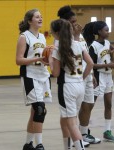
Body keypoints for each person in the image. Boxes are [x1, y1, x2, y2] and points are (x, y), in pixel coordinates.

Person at [57, 5, 101, 145]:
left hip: (86, 74)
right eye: (72, 22)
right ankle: (76, 139)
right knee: (73, 110)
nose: (76, 24)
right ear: (65, 23)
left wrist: (91, 74)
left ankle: (84, 133)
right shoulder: (63, 39)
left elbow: (86, 58)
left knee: (89, 103)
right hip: (74, 78)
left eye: (76, 21)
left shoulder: (79, 35)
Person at [49, 18, 93, 150]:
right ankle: (66, 147)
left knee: (72, 123)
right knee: (66, 118)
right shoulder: (79, 44)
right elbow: (90, 63)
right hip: (80, 86)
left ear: (57, 33)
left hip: (67, 87)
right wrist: (82, 77)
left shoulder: (58, 49)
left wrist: (50, 60)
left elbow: (55, 73)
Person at [16, 9, 52, 150]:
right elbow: (18, 60)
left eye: (41, 16)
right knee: (39, 109)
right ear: (30, 21)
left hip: (43, 75)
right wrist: (38, 58)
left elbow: (43, 58)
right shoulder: (24, 37)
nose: (40, 18)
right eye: (37, 17)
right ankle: (39, 145)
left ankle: (28, 144)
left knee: (36, 111)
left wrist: (48, 61)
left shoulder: (42, 37)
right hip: (30, 76)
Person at [83, 21, 114, 142]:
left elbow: (110, 57)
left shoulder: (107, 43)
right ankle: (85, 130)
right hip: (98, 76)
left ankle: (107, 131)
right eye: (106, 30)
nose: (108, 32)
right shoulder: (93, 46)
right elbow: (92, 65)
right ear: (99, 32)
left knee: (109, 104)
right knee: (90, 105)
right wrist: (108, 64)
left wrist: (112, 55)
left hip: (108, 77)